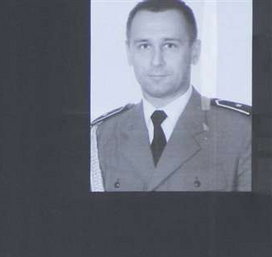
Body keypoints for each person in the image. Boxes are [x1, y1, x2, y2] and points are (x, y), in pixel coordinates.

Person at [91, 0, 250, 192]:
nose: (156, 61)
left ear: (194, 51)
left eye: (169, 45)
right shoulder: (103, 135)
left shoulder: (240, 131)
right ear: (129, 52)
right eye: (144, 46)